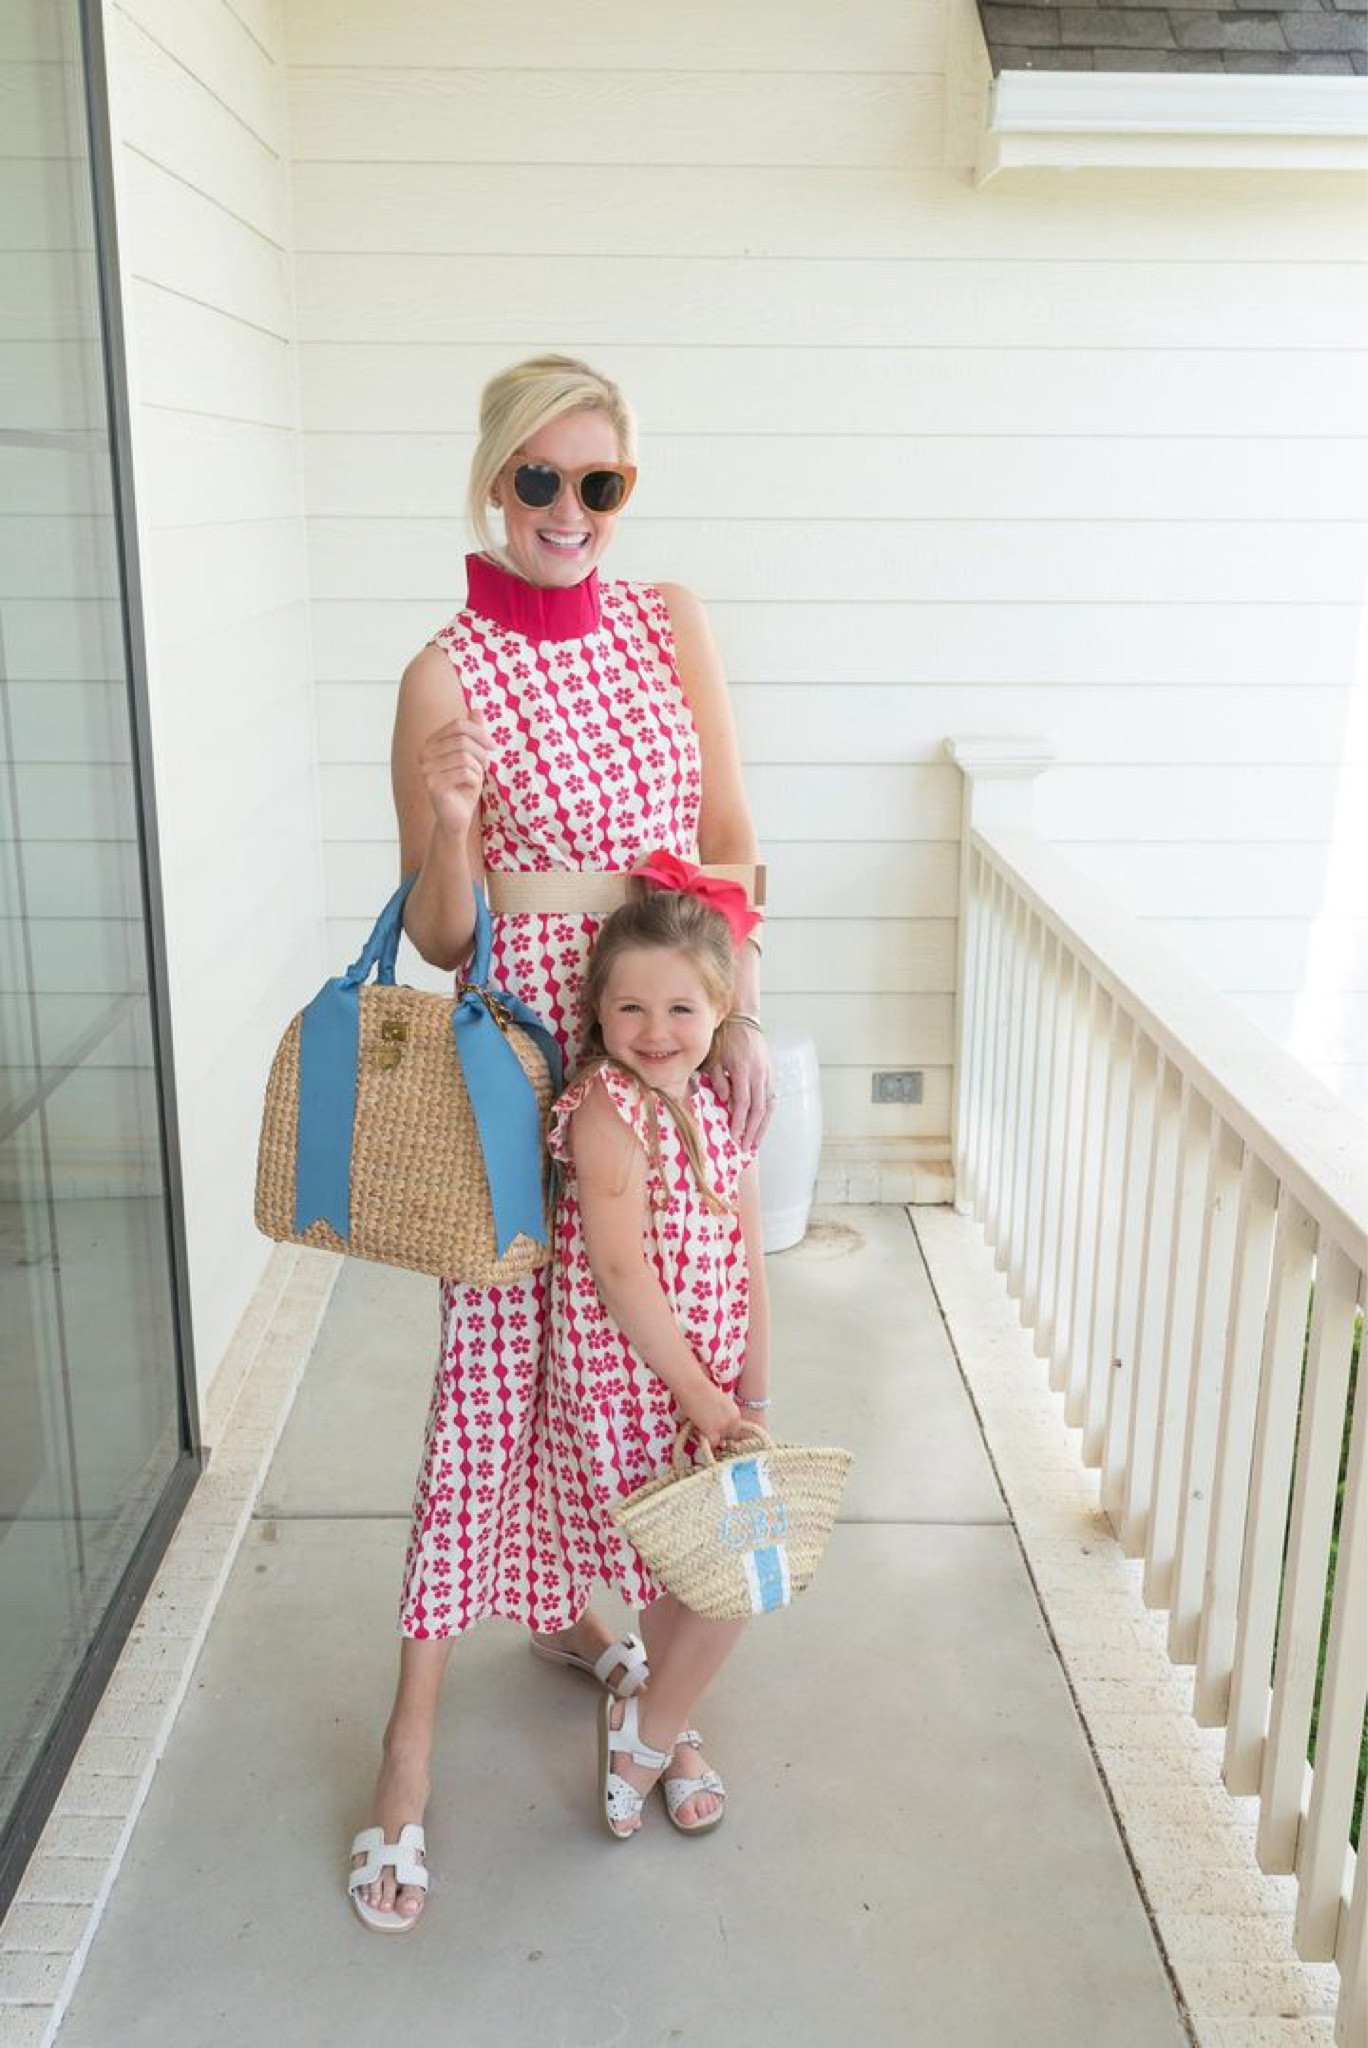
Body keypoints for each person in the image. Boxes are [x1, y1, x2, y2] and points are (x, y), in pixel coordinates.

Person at [350, 356, 771, 1927]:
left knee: (661, 1365)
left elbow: (727, 843)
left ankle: (651, 1679)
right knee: (488, 1377)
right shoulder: (442, 672)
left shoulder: (669, 621)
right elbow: (445, 936)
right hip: (522, 1056)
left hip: (667, 1036)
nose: (569, 509)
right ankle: (406, 1755)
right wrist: (456, 824)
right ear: (493, 483)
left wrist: (734, 1031)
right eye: (539, 478)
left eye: (600, 482)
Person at [541, 876, 772, 1839]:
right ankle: (658, 1734)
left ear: (720, 1010)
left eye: (681, 1007)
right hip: (637, 1385)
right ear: (597, 1011)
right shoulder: (609, 1110)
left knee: (728, 1569)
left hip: (710, 1386)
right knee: (713, 1565)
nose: (656, 1029)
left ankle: (654, 1721)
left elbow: (750, 1255)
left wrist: (753, 1389)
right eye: (630, 1007)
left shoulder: (713, 1104)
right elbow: (621, 1271)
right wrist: (703, 1399)